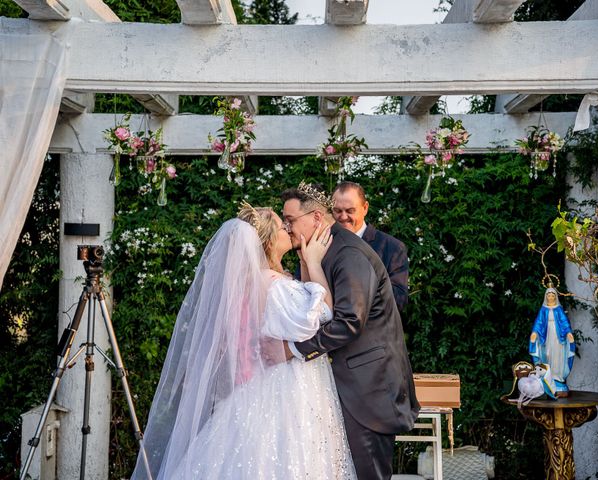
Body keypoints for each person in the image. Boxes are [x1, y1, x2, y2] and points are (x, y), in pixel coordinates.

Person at [130, 203, 357, 479]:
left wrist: (302, 263)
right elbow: (323, 314)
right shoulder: (275, 286)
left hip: (261, 386)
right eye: (282, 225)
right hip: (283, 391)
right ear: (270, 240)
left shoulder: (255, 281)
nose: (288, 228)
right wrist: (312, 262)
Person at [278, 181, 420, 480]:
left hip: (368, 391)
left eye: (290, 220)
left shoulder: (349, 255)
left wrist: (293, 350)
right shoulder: (323, 251)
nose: (286, 227)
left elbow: (348, 322)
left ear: (316, 218)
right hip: (346, 387)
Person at [332, 181, 409, 311]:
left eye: (350, 210)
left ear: (365, 208)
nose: (343, 217)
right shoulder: (321, 243)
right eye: (337, 210)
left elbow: (399, 301)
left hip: (373, 329)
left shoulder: (392, 247)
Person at [529, 286, 575, 397]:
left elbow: (564, 322)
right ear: (546, 297)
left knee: (558, 357)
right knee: (547, 355)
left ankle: (557, 378)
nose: (550, 297)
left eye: (552, 295)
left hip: (558, 338)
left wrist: (568, 333)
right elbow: (539, 323)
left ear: (555, 297)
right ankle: (547, 379)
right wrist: (535, 333)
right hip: (547, 337)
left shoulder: (559, 309)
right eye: (548, 295)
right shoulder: (543, 309)